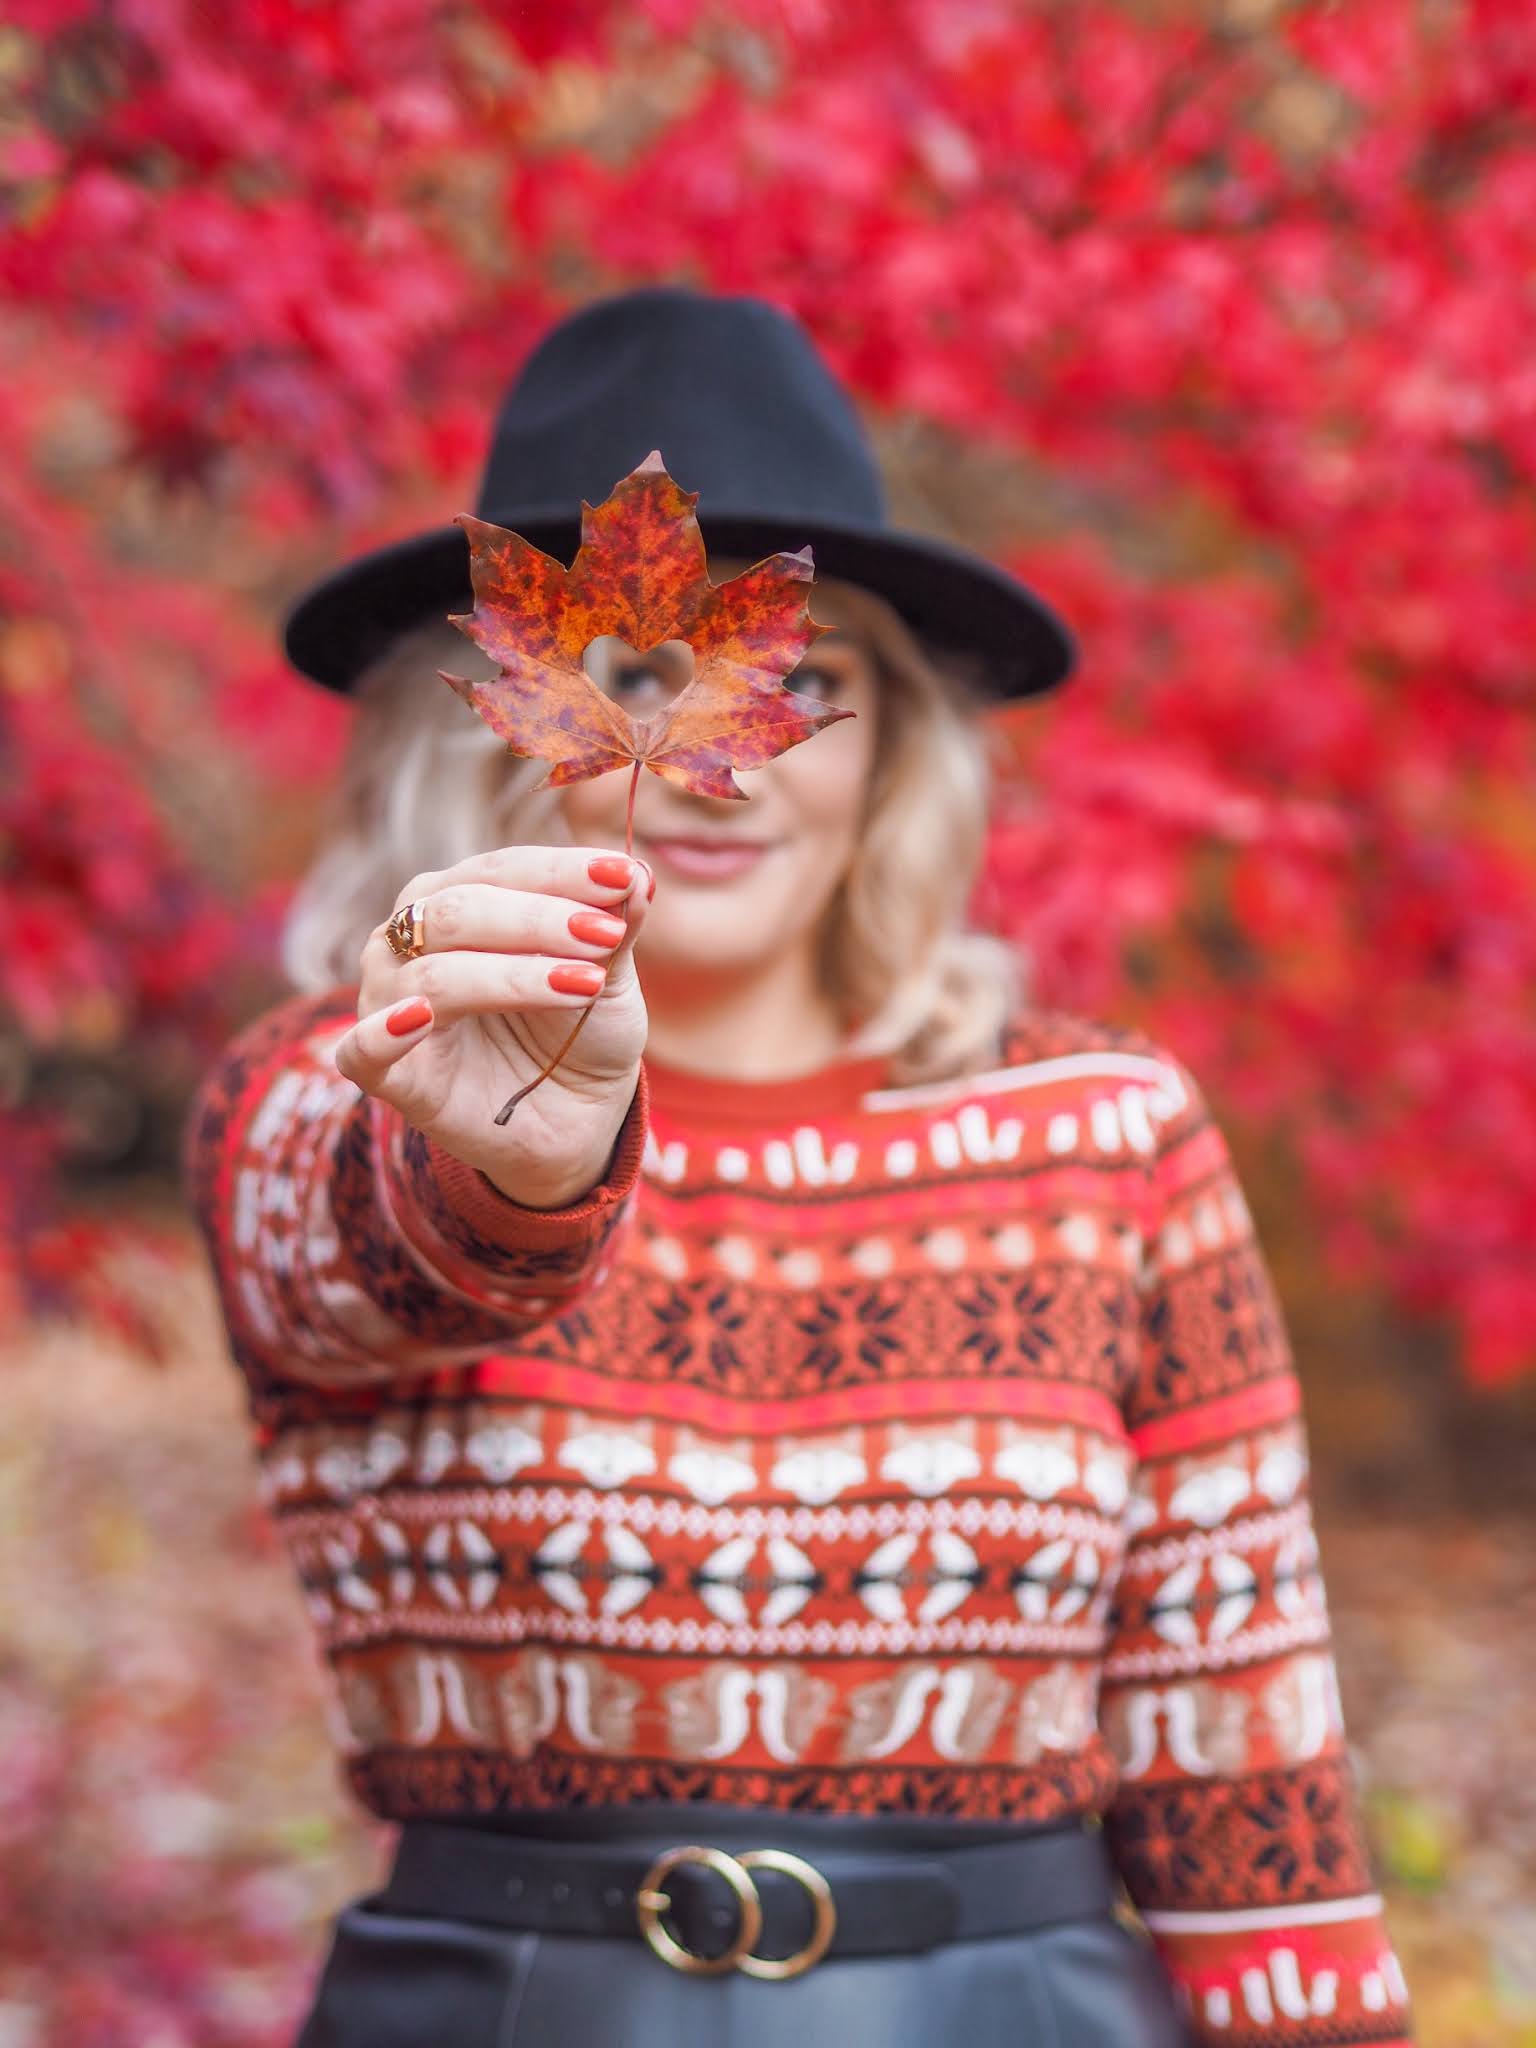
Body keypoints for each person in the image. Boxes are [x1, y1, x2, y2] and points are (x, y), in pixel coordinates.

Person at [183, 285, 1413, 2047]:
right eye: (627, 675)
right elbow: (367, 1242)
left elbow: (1240, 1728)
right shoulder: (337, 1084)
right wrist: (525, 1172)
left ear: (894, 743)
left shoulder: (1108, 1135)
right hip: (511, 2006)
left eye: (802, 681)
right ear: (477, 714)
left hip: (1022, 2009)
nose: (723, 767)